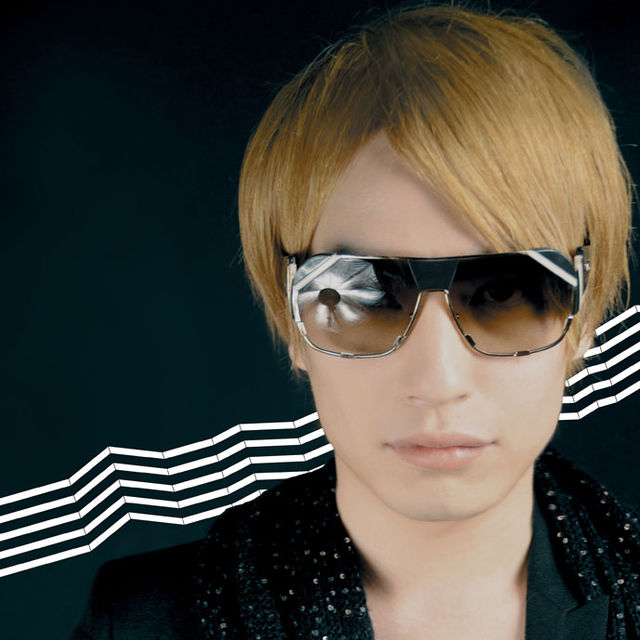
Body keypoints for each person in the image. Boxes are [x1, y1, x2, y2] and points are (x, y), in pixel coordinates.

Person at [72, 3, 640, 639]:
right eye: (364, 294)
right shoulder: (144, 622)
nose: (439, 380)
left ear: (585, 317)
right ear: (291, 318)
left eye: (505, 292)